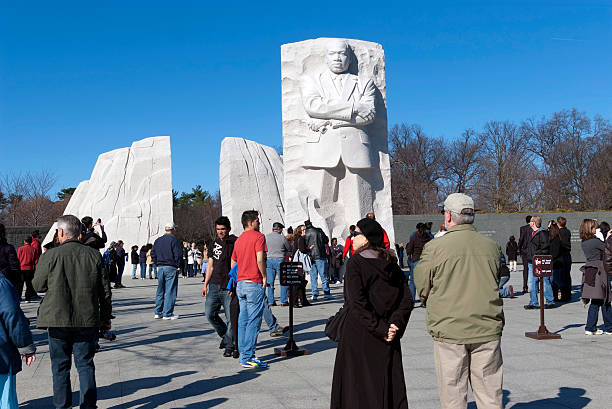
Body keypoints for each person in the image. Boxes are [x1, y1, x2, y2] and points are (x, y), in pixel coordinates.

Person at [414, 193, 505, 409]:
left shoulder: (435, 247)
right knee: (490, 392)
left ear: (448, 216)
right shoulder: (491, 246)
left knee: (453, 392)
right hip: (486, 326)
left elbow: (422, 285)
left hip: (450, 327)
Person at [331, 217, 414, 409]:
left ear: (367, 237)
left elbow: (357, 302)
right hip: (388, 335)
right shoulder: (392, 264)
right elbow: (406, 299)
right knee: (386, 386)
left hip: (360, 334)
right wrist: (394, 324)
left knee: (357, 389)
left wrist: (381, 328)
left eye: (356, 233)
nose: (352, 237)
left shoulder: (356, 263)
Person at [33, 215, 112, 409]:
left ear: (61, 232)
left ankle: (62, 406)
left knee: (60, 367)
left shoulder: (50, 255)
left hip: (57, 317)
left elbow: (38, 285)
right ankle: (88, 406)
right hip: (87, 318)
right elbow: (105, 291)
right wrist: (105, 317)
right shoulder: (94, 255)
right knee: (85, 365)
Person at [231, 210, 268, 369]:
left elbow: (233, 262)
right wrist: (264, 276)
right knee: (254, 320)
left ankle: (243, 354)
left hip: (241, 283)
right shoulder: (259, 237)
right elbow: (260, 258)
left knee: (243, 319)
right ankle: (248, 356)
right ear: (251, 221)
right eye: (257, 220)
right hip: (254, 281)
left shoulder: (238, 240)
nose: (259, 223)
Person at [0, 263, 36, 408]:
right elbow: (12, 316)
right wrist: (25, 345)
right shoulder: (2, 284)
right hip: (1, 353)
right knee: (5, 398)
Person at [202, 216, 237, 357]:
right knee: (210, 314)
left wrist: (234, 285)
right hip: (214, 285)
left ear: (228, 229)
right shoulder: (213, 244)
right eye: (218, 229)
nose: (220, 232)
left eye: (223, 229)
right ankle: (225, 335)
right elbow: (210, 265)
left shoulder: (235, 242)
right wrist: (205, 284)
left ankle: (229, 345)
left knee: (231, 318)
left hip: (228, 285)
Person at [579, 219, 611, 335]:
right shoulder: (595, 242)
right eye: (594, 227)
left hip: (590, 269)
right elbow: (607, 248)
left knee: (596, 300)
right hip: (600, 270)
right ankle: (608, 327)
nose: (596, 229)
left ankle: (591, 327)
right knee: (605, 298)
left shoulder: (584, 242)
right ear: (590, 229)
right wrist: (607, 237)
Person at [150, 223, 182, 320]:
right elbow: (178, 254)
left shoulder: (158, 240)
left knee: (160, 290)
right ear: (173, 229)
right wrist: (179, 265)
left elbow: (153, 253)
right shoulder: (174, 240)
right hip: (171, 266)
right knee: (170, 291)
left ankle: (158, 312)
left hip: (161, 267)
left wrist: (157, 263)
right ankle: (167, 313)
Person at [524, 215, 555, 310]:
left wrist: (536, 254)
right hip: (531, 261)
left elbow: (545, 247)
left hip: (540, 261)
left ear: (533, 223)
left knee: (545, 281)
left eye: (530, 221)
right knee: (532, 282)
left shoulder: (543, 233)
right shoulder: (532, 232)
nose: (529, 223)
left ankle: (550, 301)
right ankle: (534, 302)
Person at [265, 222, 292, 306]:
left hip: (269, 260)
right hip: (280, 260)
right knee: (283, 281)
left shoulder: (266, 237)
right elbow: (289, 248)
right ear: (279, 229)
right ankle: (283, 301)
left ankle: (271, 301)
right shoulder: (282, 238)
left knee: (270, 282)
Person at [304, 219, 332, 301]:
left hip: (311, 257)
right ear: (311, 223)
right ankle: (327, 293)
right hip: (320, 255)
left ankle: (314, 293)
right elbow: (326, 240)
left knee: (313, 277)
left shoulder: (305, 233)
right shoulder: (319, 230)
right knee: (324, 276)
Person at [405, 222, 431, 302]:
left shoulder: (414, 237)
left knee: (413, 281)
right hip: (425, 260)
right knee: (425, 281)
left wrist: (409, 253)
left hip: (416, 260)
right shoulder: (428, 237)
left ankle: (412, 300)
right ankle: (425, 299)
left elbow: (409, 250)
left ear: (417, 228)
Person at [291, 225, 311, 308]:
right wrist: (309, 249)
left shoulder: (296, 238)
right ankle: (296, 301)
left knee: (300, 282)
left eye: (305, 229)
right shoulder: (301, 239)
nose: (305, 231)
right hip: (299, 263)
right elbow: (302, 250)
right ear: (300, 231)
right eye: (303, 230)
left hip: (296, 263)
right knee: (299, 283)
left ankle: (302, 301)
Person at [17, 237, 38, 302]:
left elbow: (17, 259)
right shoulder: (33, 249)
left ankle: (19, 297)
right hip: (30, 269)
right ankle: (27, 298)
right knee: (28, 284)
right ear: (31, 242)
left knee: (20, 284)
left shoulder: (20, 249)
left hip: (21, 268)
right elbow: (36, 261)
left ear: (24, 241)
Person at [557, 216, 572, 302]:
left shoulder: (559, 232)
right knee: (567, 275)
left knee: (561, 276)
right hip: (567, 255)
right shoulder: (568, 231)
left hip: (561, 255)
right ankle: (568, 294)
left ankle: (563, 295)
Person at [549, 223, 565, 301]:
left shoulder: (555, 240)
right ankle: (556, 296)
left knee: (556, 281)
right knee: (555, 282)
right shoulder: (558, 239)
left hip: (556, 263)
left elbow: (555, 252)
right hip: (556, 263)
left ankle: (563, 295)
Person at [517, 215, 532, 293]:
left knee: (525, 269)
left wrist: (518, 248)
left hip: (525, 251)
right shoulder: (535, 228)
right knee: (535, 269)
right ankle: (534, 286)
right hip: (533, 251)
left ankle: (525, 287)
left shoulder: (523, 228)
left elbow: (521, 239)